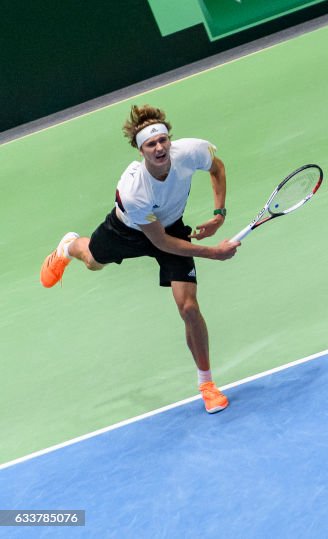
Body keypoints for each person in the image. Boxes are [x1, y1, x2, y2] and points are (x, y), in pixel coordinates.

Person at [40, 104, 240, 414]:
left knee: (188, 307)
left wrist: (219, 213)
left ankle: (207, 384)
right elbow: (159, 242)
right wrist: (214, 253)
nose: (159, 148)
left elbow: (218, 168)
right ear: (140, 150)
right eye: (151, 144)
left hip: (170, 226)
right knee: (93, 261)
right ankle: (68, 247)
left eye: (163, 140)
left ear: (169, 140)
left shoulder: (191, 152)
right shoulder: (133, 190)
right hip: (128, 230)